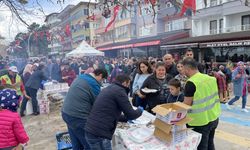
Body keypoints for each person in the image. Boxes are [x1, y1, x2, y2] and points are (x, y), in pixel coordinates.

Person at [85, 75, 143, 150]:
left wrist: (126, 119)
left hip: (91, 129)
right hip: (100, 133)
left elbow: (109, 112)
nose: (129, 87)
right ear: (125, 83)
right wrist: (140, 110)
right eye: (128, 84)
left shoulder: (109, 88)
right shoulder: (120, 91)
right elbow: (131, 114)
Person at [61, 69, 108, 150]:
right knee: (89, 144)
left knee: (76, 143)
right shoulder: (93, 83)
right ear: (100, 75)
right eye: (103, 79)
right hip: (78, 118)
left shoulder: (81, 77)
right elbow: (98, 105)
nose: (102, 82)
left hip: (66, 113)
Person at [182, 58, 221, 150]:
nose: (183, 72)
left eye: (183, 69)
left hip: (199, 122)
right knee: (210, 143)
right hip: (214, 117)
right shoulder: (211, 78)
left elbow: (186, 104)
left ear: (188, 69)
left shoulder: (191, 83)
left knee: (201, 147)